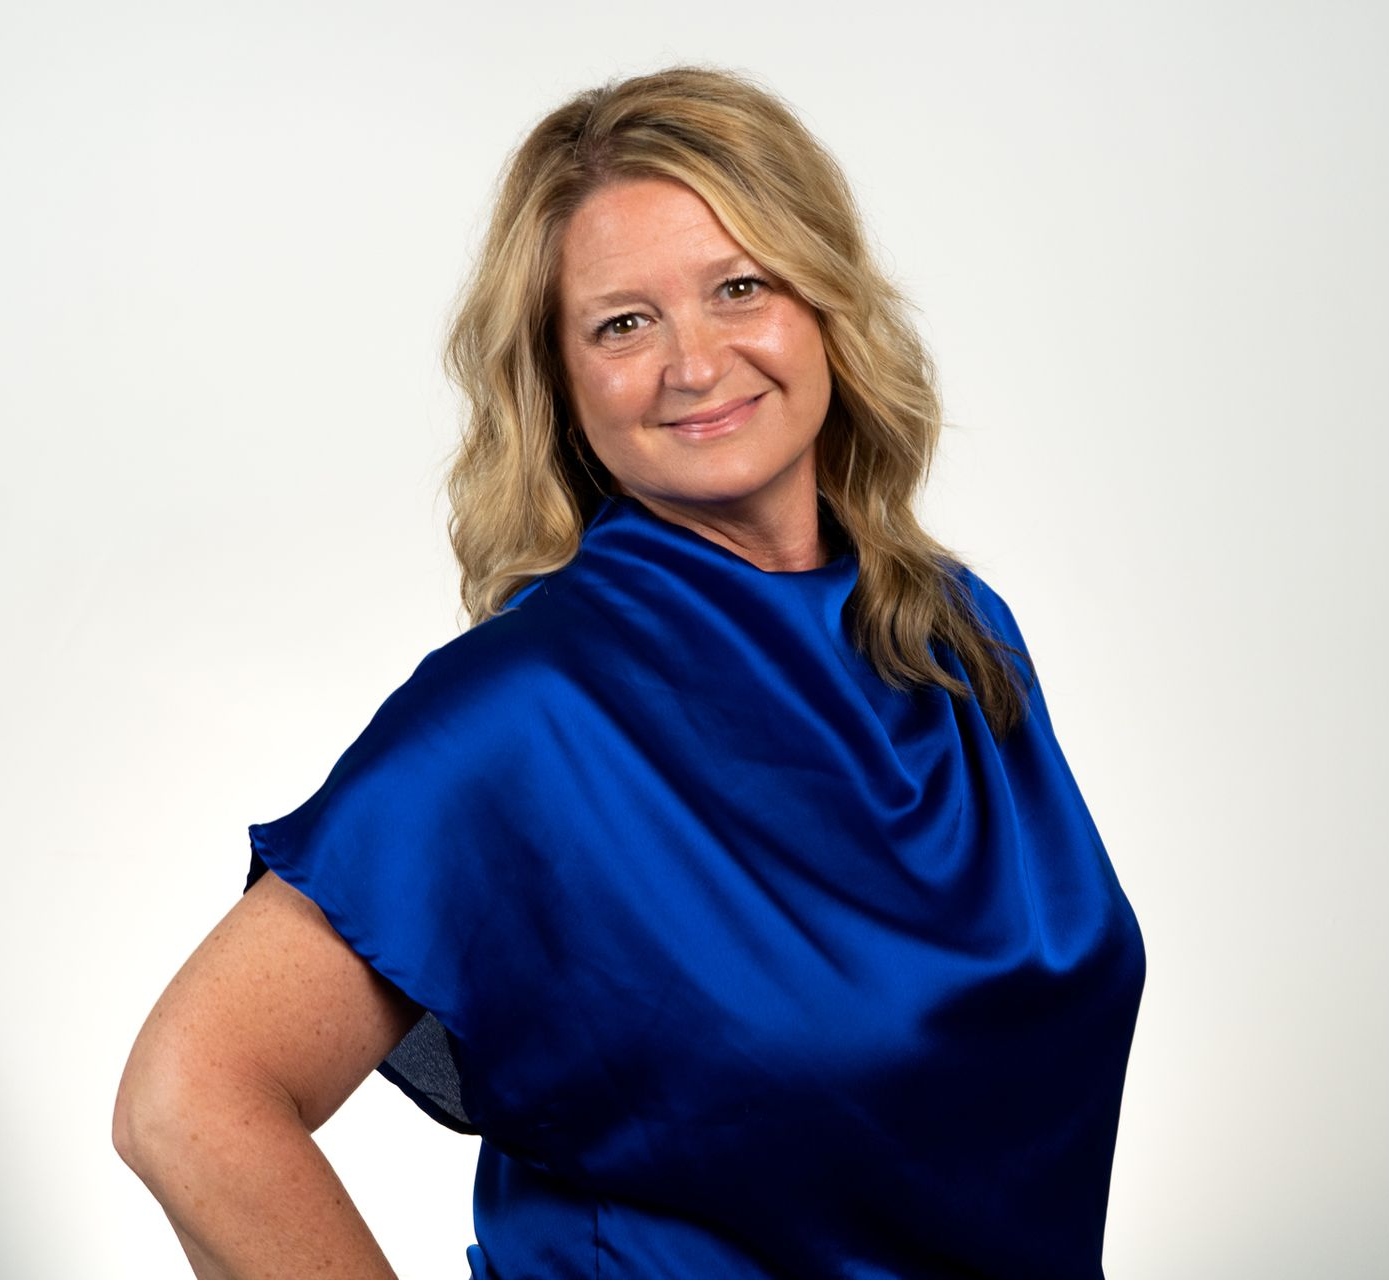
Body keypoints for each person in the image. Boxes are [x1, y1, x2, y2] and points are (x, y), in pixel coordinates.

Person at [113, 65, 1146, 1279]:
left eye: (740, 287)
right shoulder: (526, 709)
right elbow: (188, 1096)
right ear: (560, 381)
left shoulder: (952, 631)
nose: (694, 363)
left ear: (825, 302)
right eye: (623, 323)